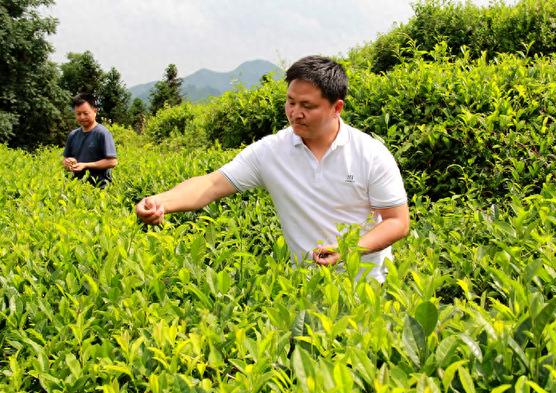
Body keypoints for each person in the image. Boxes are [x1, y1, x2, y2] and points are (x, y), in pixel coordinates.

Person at [136, 56, 409, 281]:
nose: (295, 113)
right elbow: (212, 184)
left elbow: (397, 221)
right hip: (306, 285)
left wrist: (348, 249)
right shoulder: (272, 151)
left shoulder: (370, 154)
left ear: (336, 108)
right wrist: (160, 201)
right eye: (290, 102)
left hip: (368, 285)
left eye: (307, 106)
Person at [62, 93, 118, 188]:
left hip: (99, 188)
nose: (82, 117)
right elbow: (65, 160)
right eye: (78, 114)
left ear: (95, 111)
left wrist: (86, 165)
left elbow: (112, 162)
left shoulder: (102, 133)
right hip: (76, 187)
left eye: (85, 113)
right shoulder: (73, 135)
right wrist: (68, 163)